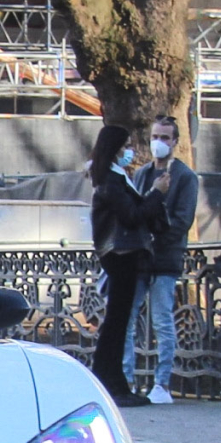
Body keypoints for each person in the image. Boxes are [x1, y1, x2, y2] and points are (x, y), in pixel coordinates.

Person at [88, 123, 160, 406]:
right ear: (116, 149)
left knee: (116, 322)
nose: (130, 151)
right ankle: (112, 384)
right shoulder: (110, 180)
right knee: (116, 323)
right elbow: (131, 215)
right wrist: (156, 193)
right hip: (121, 254)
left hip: (122, 254)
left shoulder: (113, 177)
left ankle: (112, 381)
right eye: (126, 146)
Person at [137, 114, 199, 406]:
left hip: (164, 259)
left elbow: (182, 221)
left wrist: (154, 234)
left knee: (162, 319)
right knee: (127, 319)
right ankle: (126, 379)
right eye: (155, 137)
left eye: (165, 138)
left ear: (175, 141)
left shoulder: (185, 177)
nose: (158, 143)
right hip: (139, 257)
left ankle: (161, 383)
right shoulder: (142, 174)